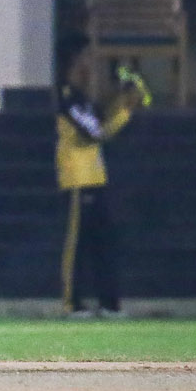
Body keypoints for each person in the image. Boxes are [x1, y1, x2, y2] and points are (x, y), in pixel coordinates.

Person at [54, 37, 147, 319]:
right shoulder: (68, 98)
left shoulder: (81, 98)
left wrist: (122, 103)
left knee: (104, 244)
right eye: (85, 59)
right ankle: (72, 303)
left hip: (95, 177)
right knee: (76, 247)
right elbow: (94, 133)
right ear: (73, 63)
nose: (90, 66)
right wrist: (124, 111)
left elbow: (100, 124)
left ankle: (109, 303)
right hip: (76, 179)